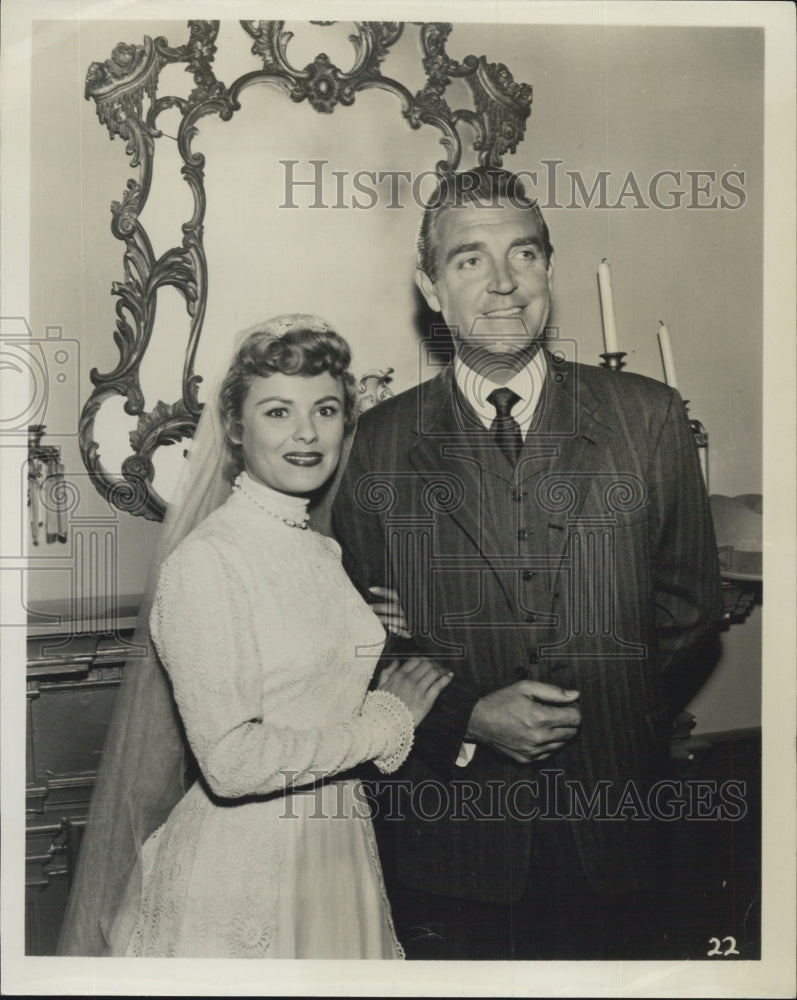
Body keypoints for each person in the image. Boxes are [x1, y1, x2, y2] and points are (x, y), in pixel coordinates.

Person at [331, 169, 724, 959]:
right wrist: (465, 717)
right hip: (455, 833)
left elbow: (689, 613)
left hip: (619, 823)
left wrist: (606, 718)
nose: (503, 284)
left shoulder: (645, 419)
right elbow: (358, 636)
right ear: (431, 288)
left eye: (524, 254)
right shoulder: (380, 441)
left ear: (548, 268)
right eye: (470, 260)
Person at [58, 315, 452, 958]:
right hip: (246, 871)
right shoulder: (207, 562)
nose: (307, 432)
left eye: (325, 409)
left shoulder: (320, 550)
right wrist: (386, 724)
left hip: (338, 849)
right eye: (278, 412)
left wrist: (374, 640)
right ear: (236, 430)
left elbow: (303, 676)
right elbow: (231, 762)